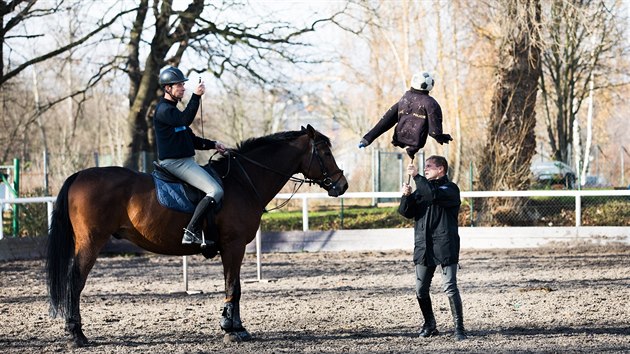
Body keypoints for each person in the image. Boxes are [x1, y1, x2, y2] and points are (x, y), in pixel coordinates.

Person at [154, 66, 227, 246]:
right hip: (176, 164)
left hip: (185, 162)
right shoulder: (164, 110)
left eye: (183, 84)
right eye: (179, 85)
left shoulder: (173, 111)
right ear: (168, 88)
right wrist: (196, 96)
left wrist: (213, 145)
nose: (183, 88)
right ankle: (190, 231)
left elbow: (191, 138)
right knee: (215, 190)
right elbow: (185, 120)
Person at [398, 155, 466, 340]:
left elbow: (432, 195)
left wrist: (418, 176)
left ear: (441, 169)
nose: (426, 168)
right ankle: (430, 325)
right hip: (423, 246)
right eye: (425, 166)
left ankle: (459, 328)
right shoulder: (422, 190)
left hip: (445, 245)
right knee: (420, 289)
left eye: (429, 166)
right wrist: (406, 196)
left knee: (450, 287)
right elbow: (405, 212)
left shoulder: (450, 188)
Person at [358, 71, 452, 157]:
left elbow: (386, 120)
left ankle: (406, 147)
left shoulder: (404, 100)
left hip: (398, 138)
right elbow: (434, 131)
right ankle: (412, 150)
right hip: (416, 143)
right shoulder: (431, 104)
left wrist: (367, 139)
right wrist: (440, 137)